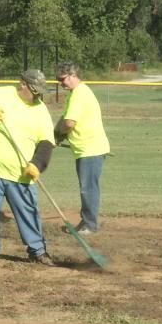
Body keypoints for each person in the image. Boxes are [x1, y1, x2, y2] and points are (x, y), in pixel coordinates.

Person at [0, 69, 56, 269]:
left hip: (21, 173)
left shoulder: (40, 110)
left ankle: (38, 250)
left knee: (29, 212)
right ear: (22, 84)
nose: (37, 96)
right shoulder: (0, 94)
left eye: (40, 92)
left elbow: (47, 142)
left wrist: (37, 164)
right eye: (34, 91)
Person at [54, 62, 110, 235]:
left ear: (72, 75)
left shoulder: (79, 94)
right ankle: (86, 221)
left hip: (90, 149)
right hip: (85, 149)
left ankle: (90, 225)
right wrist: (56, 134)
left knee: (88, 188)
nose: (60, 83)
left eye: (62, 79)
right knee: (86, 187)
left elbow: (69, 123)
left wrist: (59, 133)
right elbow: (65, 117)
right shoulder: (76, 93)